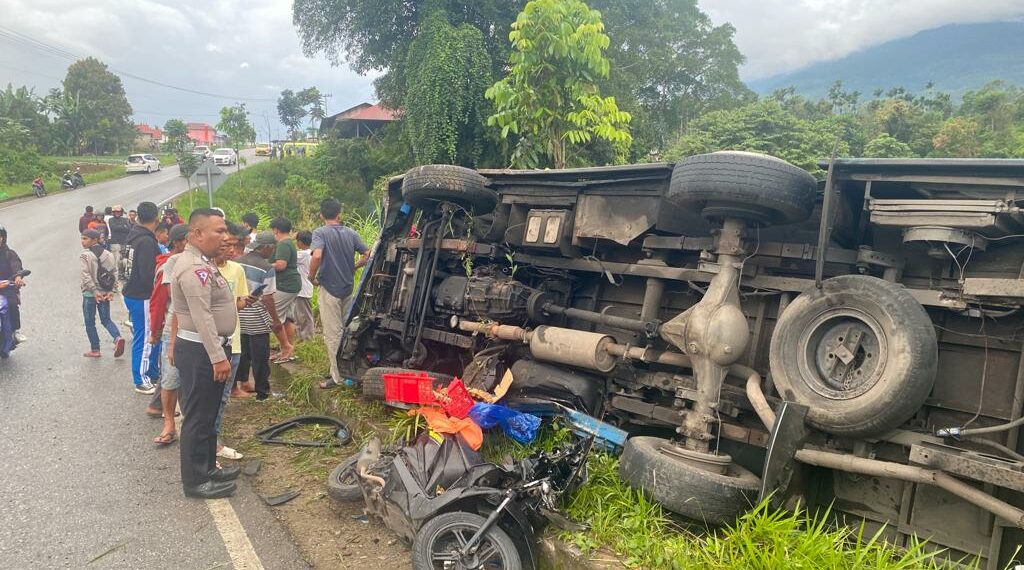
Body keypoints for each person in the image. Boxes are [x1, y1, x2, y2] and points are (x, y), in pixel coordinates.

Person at [170, 208, 240, 499]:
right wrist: (217, 356)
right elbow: (202, 317)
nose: (224, 237)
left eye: (225, 231)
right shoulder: (193, 268)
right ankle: (195, 481)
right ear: (197, 234)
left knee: (208, 415)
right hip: (200, 350)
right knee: (198, 416)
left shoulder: (203, 263)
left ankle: (208, 466)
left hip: (206, 347)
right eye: (219, 231)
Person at [310, 198, 369, 389]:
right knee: (345, 331)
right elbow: (367, 253)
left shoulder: (320, 232)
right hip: (347, 288)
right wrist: (354, 267)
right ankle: (343, 370)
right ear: (339, 214)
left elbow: (317, 255)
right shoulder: (350, 233)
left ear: (321, 215)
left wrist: (312, 276)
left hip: (329, 289)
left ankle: (338, 378)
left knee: (333, 334)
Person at [212, 223, 254, 460]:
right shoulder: (203, 270)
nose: (230, 249)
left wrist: (246, 302)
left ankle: (214, 440)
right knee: (207, 396)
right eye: (226, 245)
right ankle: (206, 440)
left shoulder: (237, 270)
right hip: (208, 342)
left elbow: (238, 302)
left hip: (233, 342)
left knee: (223, 396)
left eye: (234, 245)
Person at [145, 224, 189, 446]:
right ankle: (169, 423)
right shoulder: (167, 267)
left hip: (193, 331)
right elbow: (158, 302)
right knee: (170, 380)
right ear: (179, 242)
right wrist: (155, 331)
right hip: (172, 331)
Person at [234, 231, 289, 401]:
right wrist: (275, 320)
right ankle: (262, 392)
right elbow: (267, 298)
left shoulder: (237, 262)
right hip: (256, 315)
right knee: (260, 356)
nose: (273, 252)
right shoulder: (266, 268)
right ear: (265, 248)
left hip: (238, 313)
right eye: (272, 248)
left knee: (242, 352)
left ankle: (241, 384)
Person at [124, 201, 163, 395]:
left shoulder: (133, 237)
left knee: (152, 335)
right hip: (143, 296)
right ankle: (141, 379)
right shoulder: (147, 242)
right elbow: (149, 275)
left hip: (133, 293)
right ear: (156, 217)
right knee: (147, 336)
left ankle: (153, 373)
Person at [79, 229, 125, 358]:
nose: (82, 241)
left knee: (89, 322)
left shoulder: (85, 256)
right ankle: (117, 337)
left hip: (90, 294)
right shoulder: (108, 254)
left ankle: (95, 349)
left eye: (85, 239)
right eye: (82, 238)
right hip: (105, 293)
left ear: (94, 240)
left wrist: (94, 291)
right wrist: (111, 290)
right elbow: (114, 272)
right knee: (106, 319)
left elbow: (85, 275)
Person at [269, 217, 299, 362]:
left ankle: (286, 347)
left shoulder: (283, 244)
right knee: (286, 318)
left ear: (276, 229)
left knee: (274, 318)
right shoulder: (289, 243)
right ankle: (287, 350)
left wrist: (266, 265)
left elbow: (281, 265)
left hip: (285, 285)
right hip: (292, 284)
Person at [0, 226, 27, 345]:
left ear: (3, 238)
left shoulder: (9, 254)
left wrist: (18, 276)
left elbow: (16, 264)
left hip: (7, 287)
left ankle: (15, 331)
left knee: (12, 304)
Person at [294, 230, 315, 341]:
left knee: (304, 316)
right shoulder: (311, 252)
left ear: (301, 242)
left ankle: (308, 338)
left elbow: (290, 256)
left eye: (297, 241)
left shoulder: (303, 254)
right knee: (300, 315)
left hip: (303, 290)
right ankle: (302, 337)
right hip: (304, 289)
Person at [107, 205, 132, 281]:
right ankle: (116, 277)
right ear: (113, 213)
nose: (117, 213)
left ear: (121, 212)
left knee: (125, 259)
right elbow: (114, 228)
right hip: (115, 242)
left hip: (124, 242)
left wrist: (121, 227)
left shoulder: (125, 219)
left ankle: (124, 274)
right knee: (116, 260)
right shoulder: (111, 220)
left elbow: (128, 228)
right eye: (115, 212)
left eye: (118, 212)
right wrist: (123, 227)